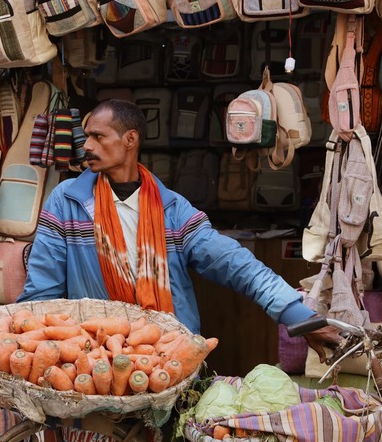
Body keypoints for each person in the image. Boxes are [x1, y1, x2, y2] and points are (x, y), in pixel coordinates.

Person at [18, 98, 340, 362]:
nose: (86, 145)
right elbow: (43, 288)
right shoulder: (67, 202)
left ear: (130, 140)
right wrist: (26, 343)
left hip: (169, 359)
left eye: (98, 137)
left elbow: (234, 263)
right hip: (93, 363)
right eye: (86, 135)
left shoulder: (173, 211)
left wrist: (296, 314)